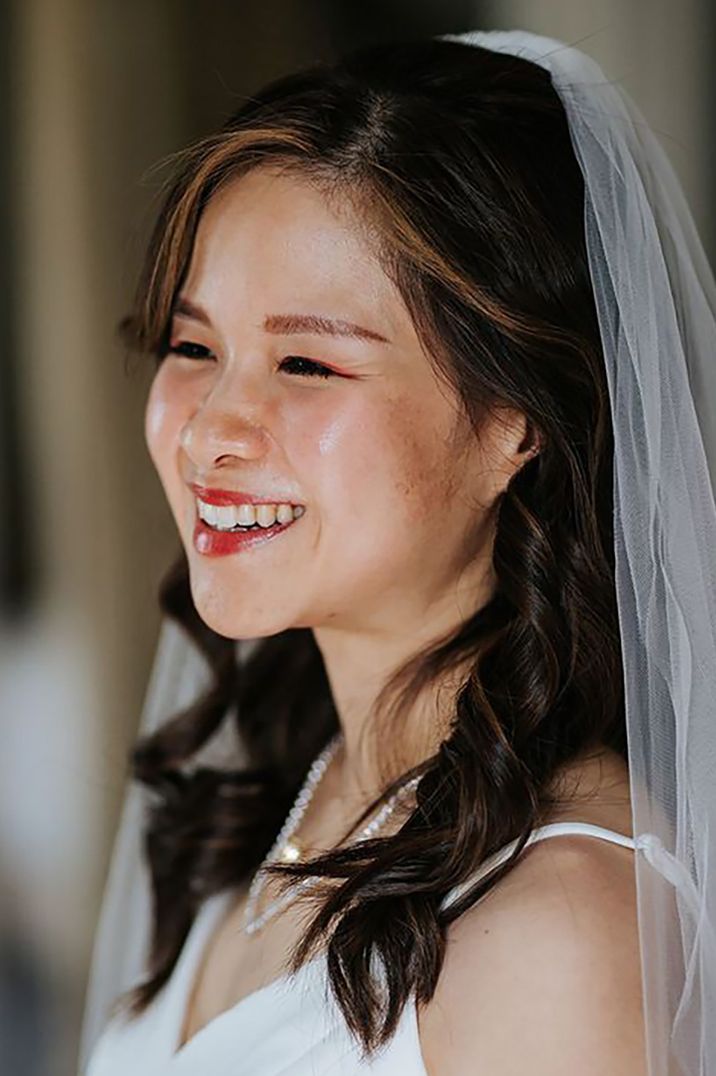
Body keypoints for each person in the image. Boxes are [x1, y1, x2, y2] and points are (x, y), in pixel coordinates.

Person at [79, 28, 716, 1076]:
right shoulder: (268, 796)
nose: (208, 431)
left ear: (514, 422)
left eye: (306, 362)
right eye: (194, 346)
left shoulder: (553, 930)